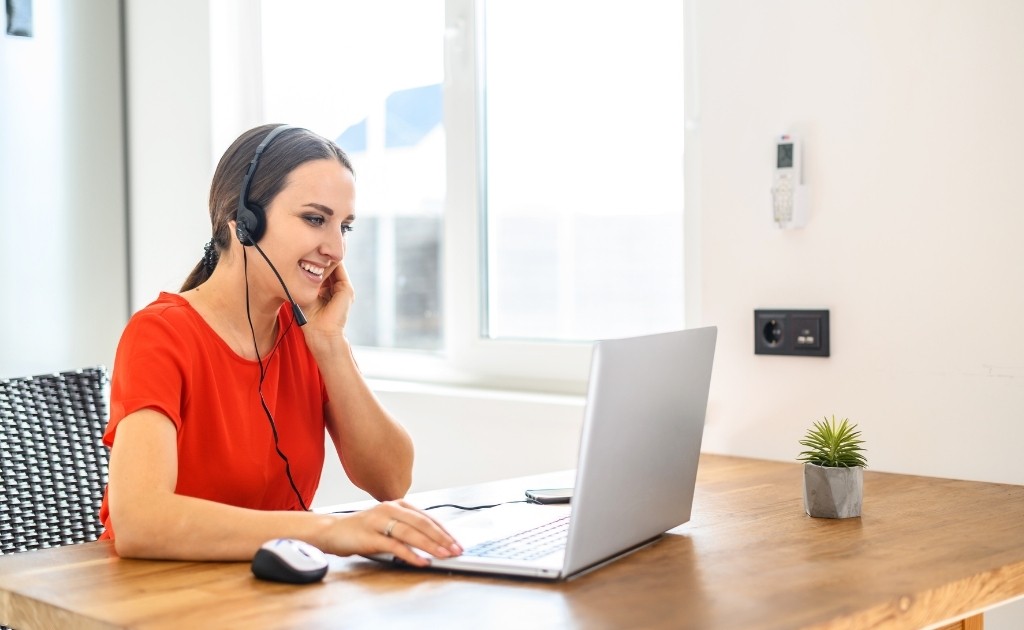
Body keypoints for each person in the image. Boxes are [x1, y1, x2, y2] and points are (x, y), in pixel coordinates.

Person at [98, 124, 461, 566]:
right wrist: (329, 530)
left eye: (344, 226)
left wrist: (330, 345)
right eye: (315, 219)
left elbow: (391, 480)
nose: (336, 249)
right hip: (158, 596)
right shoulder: (160, 334)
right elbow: (141, 522)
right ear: (245, 221)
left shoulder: (307, 333)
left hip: (267, 592)